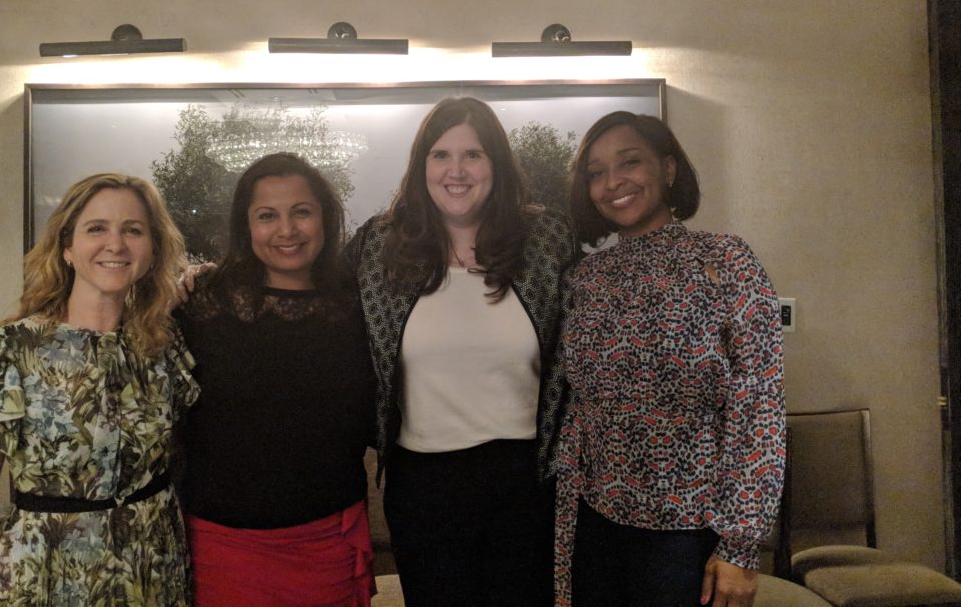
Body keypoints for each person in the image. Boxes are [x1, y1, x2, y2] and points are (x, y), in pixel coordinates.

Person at [346, 96, 577, 606]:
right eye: (441, 155)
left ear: (496, 163)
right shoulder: (378, 246)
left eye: (473, 154)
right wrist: (207, 279)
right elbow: (313, 299)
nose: (456, 170)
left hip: (525, 481)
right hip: (422, 484)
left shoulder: (545, 240)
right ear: (421, 165)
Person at [554, 111, 785, 607]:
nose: (612, 182)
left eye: (629, 162)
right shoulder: (584, 278)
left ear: (669, 168)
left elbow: (759, 405)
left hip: (691, 536)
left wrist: (741, 544)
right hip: (595, 528)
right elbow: (575, 410)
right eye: (596, 172)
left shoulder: (725, 261)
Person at [0, 172, 197, 606]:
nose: (116, 244)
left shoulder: (164, 347)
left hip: (153, 574)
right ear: (67, 248)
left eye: (133, 230)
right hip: (45, 578)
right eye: (97, 228)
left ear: (152, 250)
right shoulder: (4, 355)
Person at [175, 152, 376, 607]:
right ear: (246, 226)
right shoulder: (202, 304)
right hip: (223, 548)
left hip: (328, 543)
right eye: (267, 216)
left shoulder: (358, 306)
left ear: (325, 218)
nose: (287, 230)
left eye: (301, 212)